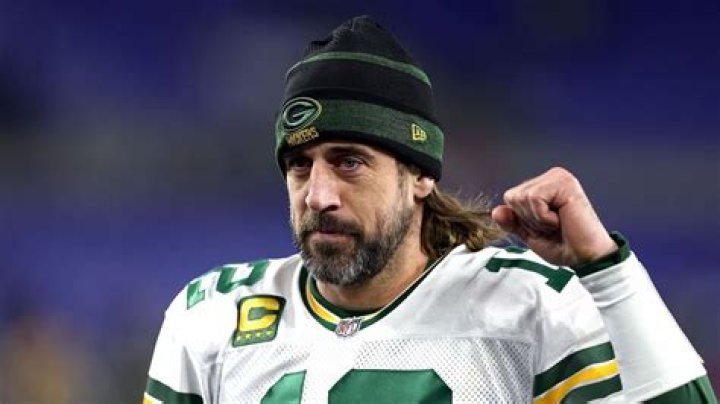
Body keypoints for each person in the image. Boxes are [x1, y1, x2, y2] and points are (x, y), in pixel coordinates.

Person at [143, 16, 717, 403]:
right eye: (299, 166)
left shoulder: (529, 305)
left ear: (420, 175)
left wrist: (607, 271)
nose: (317, 195)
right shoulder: (211, 315)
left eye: (349, 162)